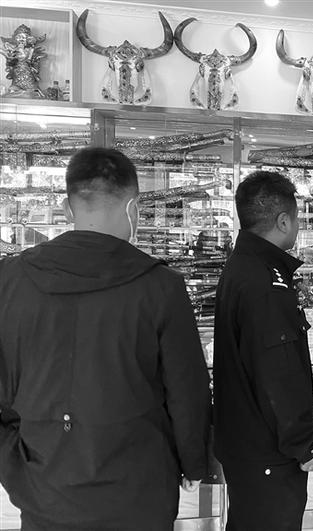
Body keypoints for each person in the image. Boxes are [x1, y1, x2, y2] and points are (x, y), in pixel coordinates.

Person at [0, 147, 211, 531]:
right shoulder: (161, 286)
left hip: (44, 488)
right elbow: (188, 391)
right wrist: (193, 462)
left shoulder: (10, 279)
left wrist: (14, 465)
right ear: (134, 209)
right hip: (139, 493)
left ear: (67, 208)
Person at [213, 170, 313, 531]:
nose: (298, 227)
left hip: (248, 446)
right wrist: (305, 444)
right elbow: (278, 373)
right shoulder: (266, 283)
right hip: (268, 453)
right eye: (296, 219)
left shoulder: (244, 267)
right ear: (283, 221)